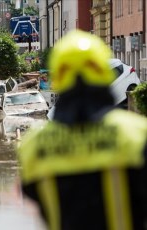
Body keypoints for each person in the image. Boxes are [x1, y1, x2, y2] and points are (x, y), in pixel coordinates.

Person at [17, 30, 147, 230]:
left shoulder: (32, 145)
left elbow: (35, 197)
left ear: (58, 77)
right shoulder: (135, 134)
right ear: (103, 71)